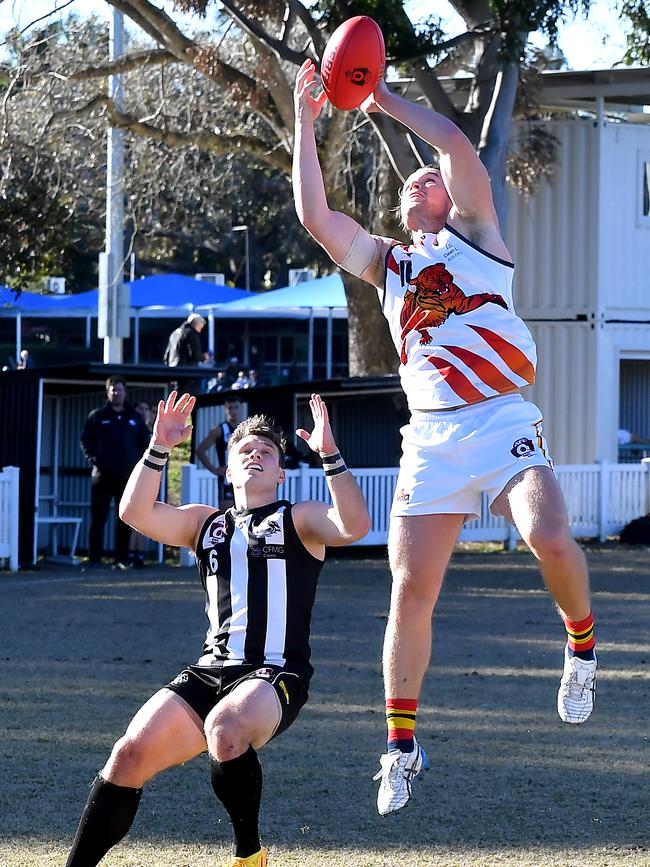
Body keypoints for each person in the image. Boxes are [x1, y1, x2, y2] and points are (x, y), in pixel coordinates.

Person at [293, 59, 598, 816]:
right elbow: (317, 219)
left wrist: (379, 96)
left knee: (550, 537)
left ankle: (582, 649)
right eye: (410, 184)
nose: (419, 180)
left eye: (426, 177)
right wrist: (306, 121)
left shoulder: (479, 236)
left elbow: (456, 144)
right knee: (409, 589)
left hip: (500, 417)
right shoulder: (390, 267)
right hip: (430, 438)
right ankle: (400, 748)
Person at [64, 391, 370, 867]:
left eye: (267, 451)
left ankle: (250, 855)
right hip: (209, 671)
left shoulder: (299, 518)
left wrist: (330, 453)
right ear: (226, 472)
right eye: (244, 450)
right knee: (126, 757)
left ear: (280, 472)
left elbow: (355, 524)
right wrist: (159, 447)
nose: (256, 453)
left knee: (225, 729)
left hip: (275, 673)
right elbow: (134, 513)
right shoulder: (207, 524)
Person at [80, 376, 151, 570]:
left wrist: (137, 466)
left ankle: (122, 558)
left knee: (124, 517)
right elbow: (86, 441)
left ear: (125, 392)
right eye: (112, 390)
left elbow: (145, 444)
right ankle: (94, 559)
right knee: (98, 517)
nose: (116, 393)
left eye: (119, 389)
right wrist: (95, 460)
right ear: (107, 392)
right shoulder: (97, 416)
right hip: (101, 476)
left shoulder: (135, 418)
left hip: (127, 478)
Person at [196, 398, 243, 510]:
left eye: (236, 407)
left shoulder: (244, 429)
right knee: (226, 515)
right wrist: (214, 469)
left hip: (242, 476)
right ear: (225, 410)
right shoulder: (220, 429)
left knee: (244, 513)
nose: (233, 411)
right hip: (226, 479)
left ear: (240, 408)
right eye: (230, 408)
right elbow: (200, 450)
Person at [130, 399, 155, 568]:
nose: (145, 412)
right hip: (133, 478)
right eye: (141, 408)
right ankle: (130, 554)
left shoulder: (153, 433)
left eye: (148, 409)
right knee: (132, 519)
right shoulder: (131, 430)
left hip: (149, 480)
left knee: (145, 519)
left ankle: (139, 555)